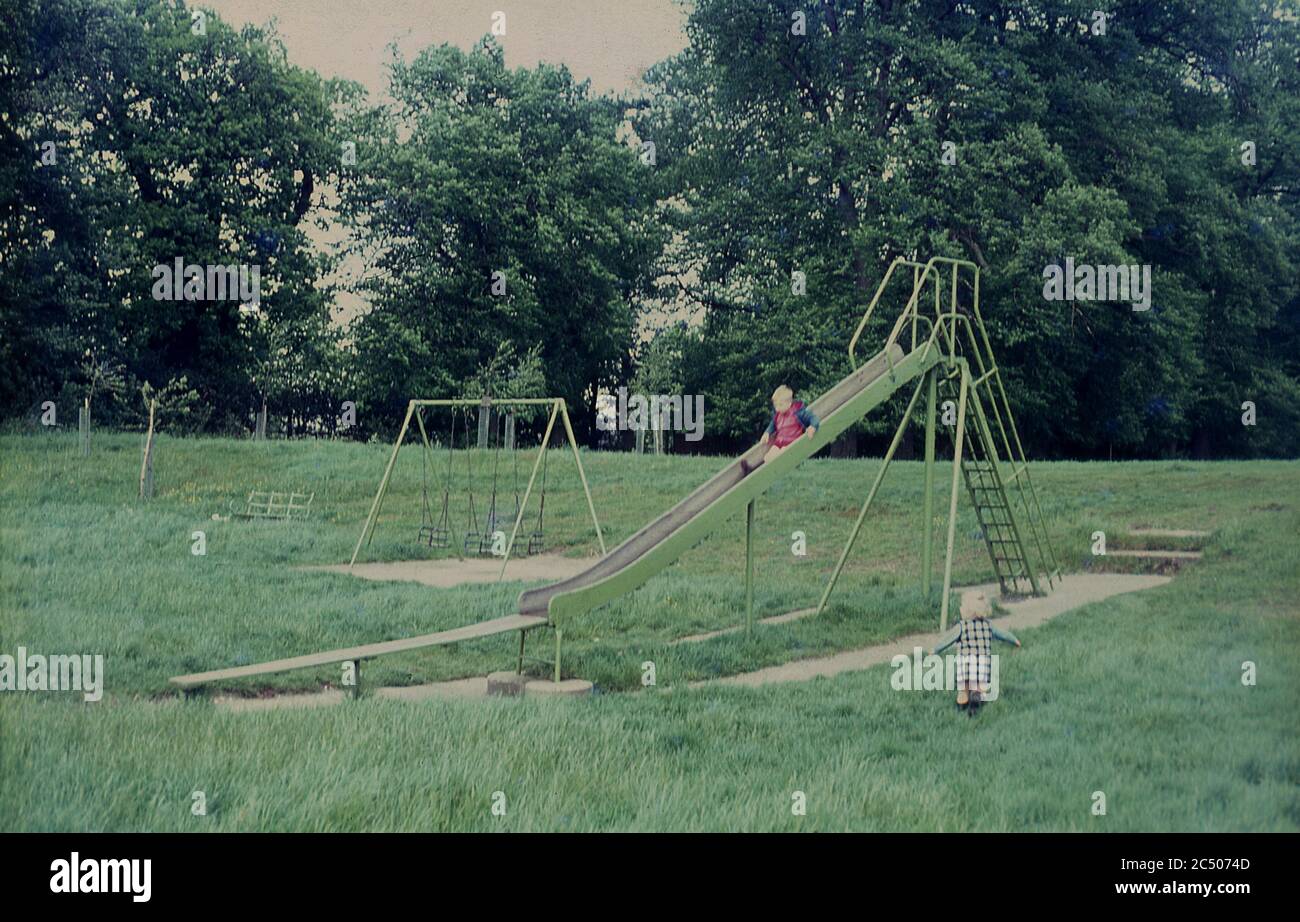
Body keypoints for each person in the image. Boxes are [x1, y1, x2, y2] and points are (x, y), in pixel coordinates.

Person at [931, 590, 1020, 715]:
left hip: (965, 665)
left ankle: (961, 704)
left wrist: (935, 650)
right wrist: (1014, 640)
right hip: (982, 665)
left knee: (964, 689)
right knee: (979, 686)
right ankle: (975, 702)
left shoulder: (962, 626)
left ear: (966, 610)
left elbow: (947, 640)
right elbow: (1003, 634)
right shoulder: (989, 625)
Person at [740, 385, 819, 475]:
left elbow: (813, 418)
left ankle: (756, 473)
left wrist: (813, 427)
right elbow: (772, 425)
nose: (777, 408)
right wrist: (767, 433)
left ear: (789, 403)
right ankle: (753, 472)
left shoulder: (798, 412)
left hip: (791, 444)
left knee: (780, 455)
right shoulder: (778, 415)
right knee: (767, 458)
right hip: (779, 443)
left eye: (780, 405)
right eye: (776, 406)